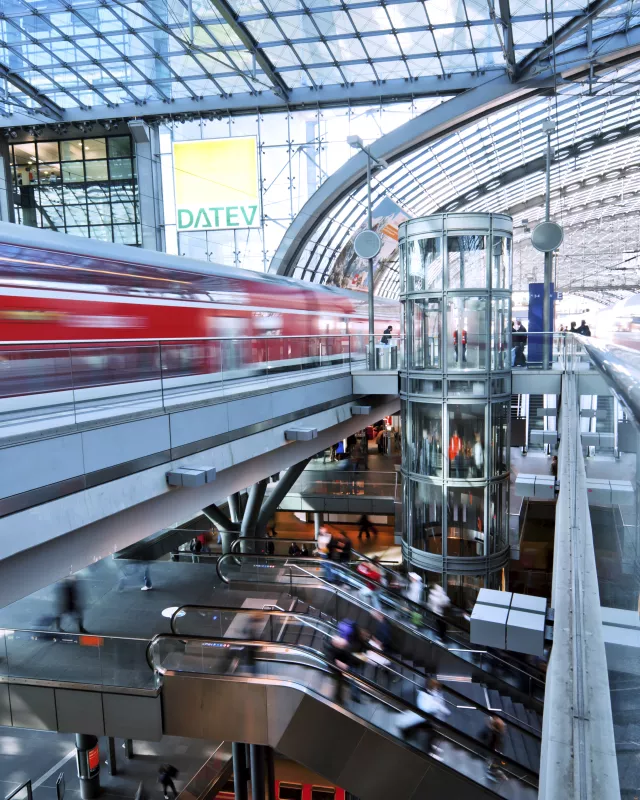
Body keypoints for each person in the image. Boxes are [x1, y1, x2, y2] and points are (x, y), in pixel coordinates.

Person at [397, 679, 450, 757]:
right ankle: (428, 749)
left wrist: (442, 709)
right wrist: (437, 707)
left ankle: (407, 734)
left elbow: (439, 703)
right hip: (425, 718)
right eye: (435, 687)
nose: (436, 689)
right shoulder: (424, 694)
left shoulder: (437, 693)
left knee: (426, 729)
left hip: (428, 718)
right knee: (428, 730)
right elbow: (425, 707)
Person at [481, 716, 506, 782]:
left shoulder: (494, 732)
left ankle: (492, 771)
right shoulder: (496, 734)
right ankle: (491, 773)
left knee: (494, 761)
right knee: (494, 761)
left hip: (493, 749)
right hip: (493, 749)